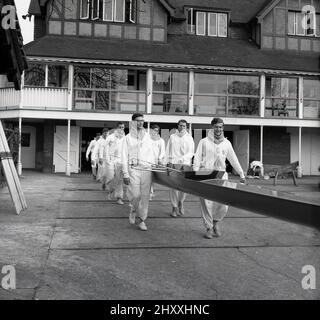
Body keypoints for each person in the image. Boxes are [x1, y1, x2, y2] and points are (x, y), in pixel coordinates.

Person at [193, 118, 246, 239]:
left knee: (223, 203)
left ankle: (216, 223)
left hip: (222, 175)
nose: (219, 129)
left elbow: (234, 160)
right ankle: (209, 227)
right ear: (212, 127)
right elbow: (197, 158)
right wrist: (195, 173)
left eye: (221, 127)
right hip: (205, 174)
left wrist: (241, 174)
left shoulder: (226, 143)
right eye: (216, 126)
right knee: (206, 202)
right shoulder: (204, 141)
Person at [122, 113, 155, 231]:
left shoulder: (148, 136)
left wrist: (153, 169)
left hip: (146, 170)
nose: (140, 123)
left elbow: (152, 153)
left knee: (145, 196)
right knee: (135, 195)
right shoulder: (127, 138)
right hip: (134, 169)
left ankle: (142, 220)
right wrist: (125, 173)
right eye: (138, 120)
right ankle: (133, 209)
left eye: (142, 120)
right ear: (133, 122)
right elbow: (124, 156)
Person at [165, 119, 194, 217]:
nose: (182, 127)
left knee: (184, 186)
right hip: (173, 164)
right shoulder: (172, 137)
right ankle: (174, 207)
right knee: (173, 186)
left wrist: (183, 159)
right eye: (180, 125)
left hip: (185, 164)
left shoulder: (189, 138)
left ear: (186, 127)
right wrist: (167, 162)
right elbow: (168, 150)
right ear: (178, 126)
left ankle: (181, 202)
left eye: (184, 126)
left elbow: (191, 152)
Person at [100, 122, 125, 205]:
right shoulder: (110, 137)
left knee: (119, 180)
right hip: (110, 160)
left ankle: (119, 197)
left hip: (120, 160)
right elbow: (105, 148)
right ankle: (111, 191)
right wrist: (107, 159)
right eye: (120, 127)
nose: (121, 129)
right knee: (111, 177)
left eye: (123, 128)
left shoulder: (124, 138)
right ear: (116, 128)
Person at [149, 124, 166, 200]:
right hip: (147, 161)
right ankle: (149, 193)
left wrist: (159, 159)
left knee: (152, 179)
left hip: (156, 162)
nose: (156, 132)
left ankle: (151, 192)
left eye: (157, 130)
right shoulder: (147, 139)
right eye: (154, 130)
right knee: (147, 178)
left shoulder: (161, 140)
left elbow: (162, 151)